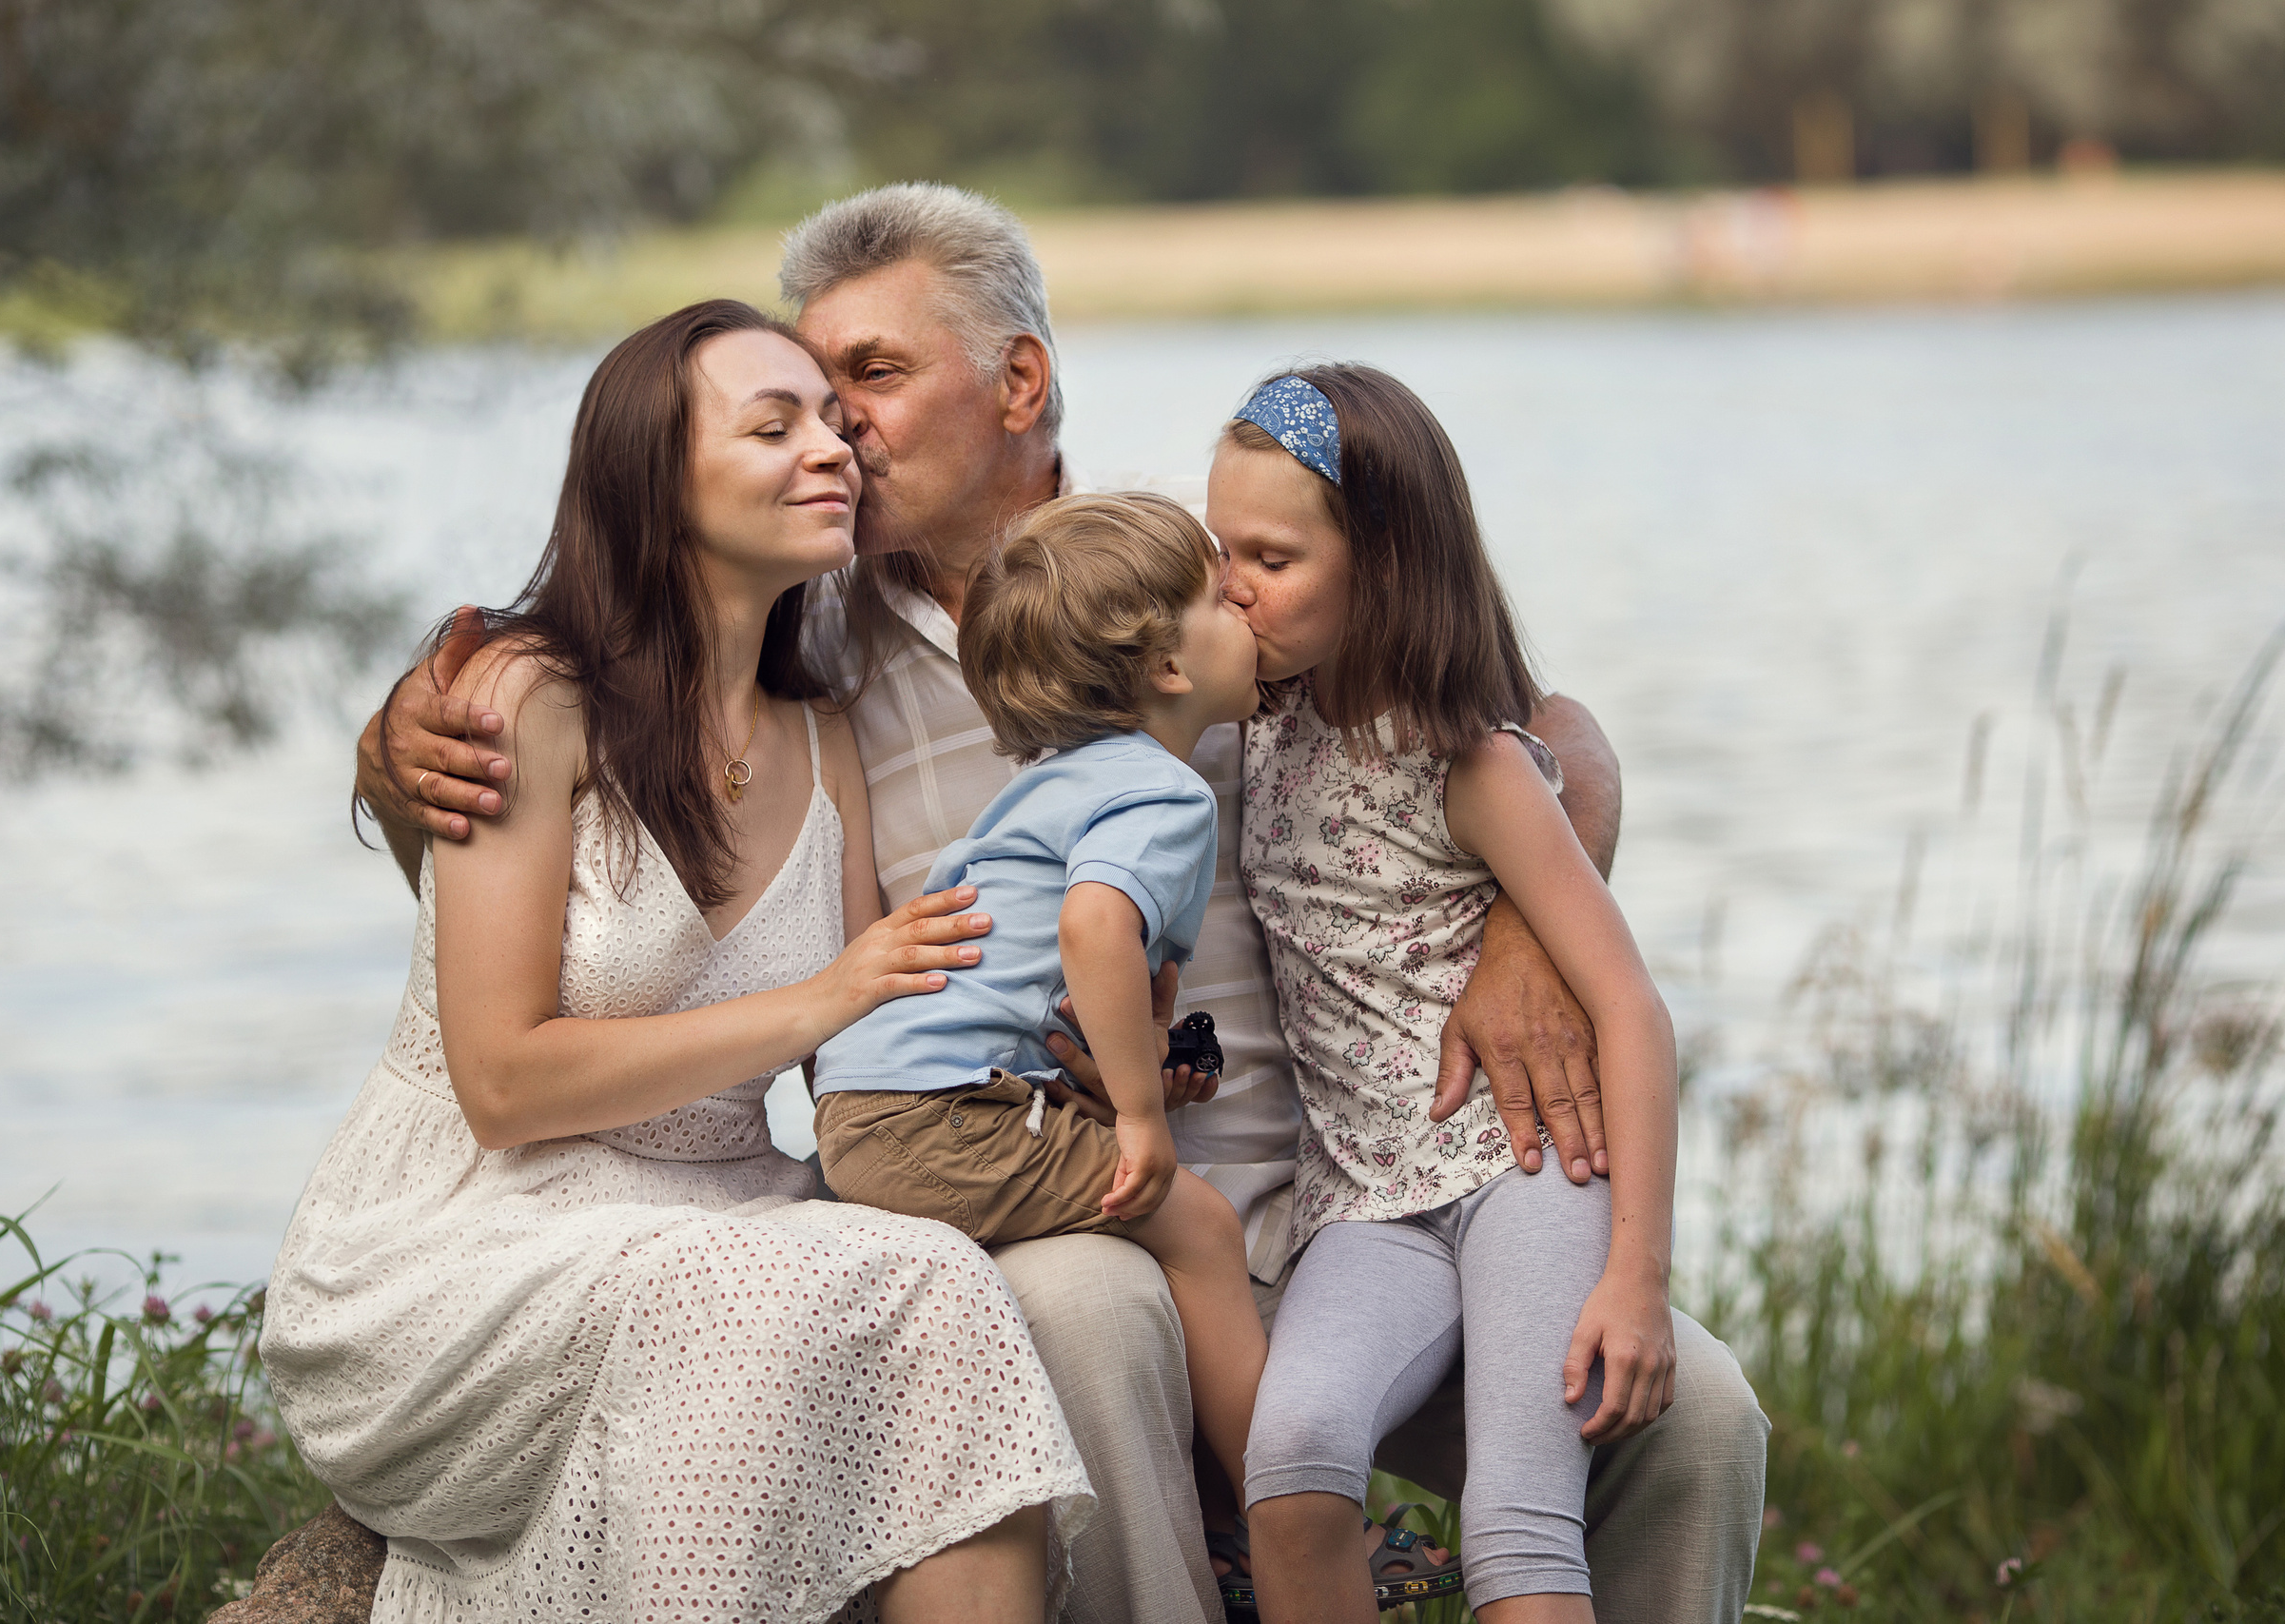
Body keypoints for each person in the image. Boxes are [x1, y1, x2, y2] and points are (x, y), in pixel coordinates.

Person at [356, 183, 1769, 1624]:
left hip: (1363, 1198)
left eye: (872, 376)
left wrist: (1526, 932)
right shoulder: (811, 642)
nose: (837, 428)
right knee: (1084, 1316)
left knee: (1696, 1418)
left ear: (1019, 381)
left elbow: (1540, 726)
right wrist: (399, 740)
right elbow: (597, 675)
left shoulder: (1196, 580)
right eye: (810, 394)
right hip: (1076, 1197)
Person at [264, 299, 1093, 1624]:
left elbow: (865, 1058)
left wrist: (1080, 1031)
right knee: (739, 1294)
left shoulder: (822, 745)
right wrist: (823, 994)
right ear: (655, 481)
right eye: (774, 427)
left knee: (942, 1285)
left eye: (833, 422)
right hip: (461, 1243)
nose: (830, 449)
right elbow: (503, 1083)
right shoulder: (525, 696)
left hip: (722, 1205)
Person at [1212, 368, 1677, 1624]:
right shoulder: (1250, 722)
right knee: (1292, 1457)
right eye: (1219, 551)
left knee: (1519, 1514)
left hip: (1522, 1173)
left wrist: (1636, 1276)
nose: (1233, 585)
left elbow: (1631, 1009)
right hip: (1362, 1197)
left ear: (1384, 562)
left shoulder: (1467, 759)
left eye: (1272, 557)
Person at [812, 492, 1268, 1509]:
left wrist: (1142, 1060)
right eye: (1218, 596)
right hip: (935, 1114)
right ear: (1167, 667)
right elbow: (1093, 930)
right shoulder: (1164, 791)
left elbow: (1037, 976)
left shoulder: (1048, 788)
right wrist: (1141, 1120)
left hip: (867, 1105)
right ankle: (1286, 1515)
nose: (1244, 602)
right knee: (1199, 1228)